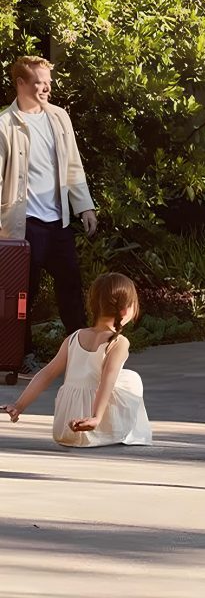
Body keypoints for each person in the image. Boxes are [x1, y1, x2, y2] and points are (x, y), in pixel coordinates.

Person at [0, 56, 98, 374]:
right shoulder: (5, 125)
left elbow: (72, 165)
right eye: (39, 82)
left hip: (59, 223)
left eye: (48, 83)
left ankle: (81, 356)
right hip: (24, 224)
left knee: (70, 287)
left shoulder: (59, 117)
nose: (46, 88)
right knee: (21, 295)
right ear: (20, 83)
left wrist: (84, 206)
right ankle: (21, 355)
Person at [1, 273, 152, 447]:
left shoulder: (74, 338)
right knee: (131, 379)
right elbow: (107, 381)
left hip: (65, 424)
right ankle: (114, 428)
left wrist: (19, 405)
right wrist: (96, 418)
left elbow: (47, 374)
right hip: (90, 421)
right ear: (125, 309)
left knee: (120, 375)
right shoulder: (119, 342)